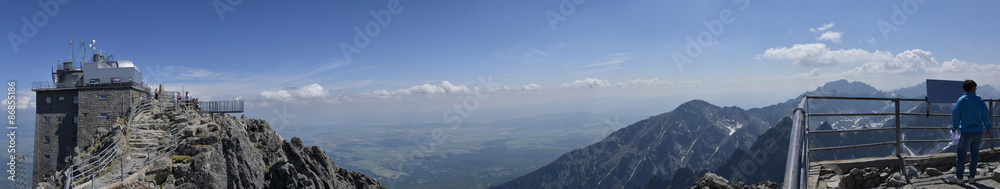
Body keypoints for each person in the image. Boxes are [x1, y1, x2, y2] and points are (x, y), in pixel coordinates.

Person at [947, 80, 992, 184]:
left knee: (961, 155)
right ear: (972, 88)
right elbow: (986, 115)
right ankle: (971, 177)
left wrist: (954, 128)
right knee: (974, 155)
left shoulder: (961, 100)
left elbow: (956, 115)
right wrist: (988, 129)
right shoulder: (980, 100)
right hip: (978, 132)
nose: (976, 89)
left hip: (966, 132)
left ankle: (959, 178)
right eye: (975, 87)